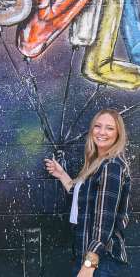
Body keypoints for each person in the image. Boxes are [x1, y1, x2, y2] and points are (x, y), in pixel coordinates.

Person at [45, 109, 131, 277]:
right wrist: (62, 175)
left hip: (100, 261)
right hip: (88, 257)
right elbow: (83, 202)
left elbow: (104, 219)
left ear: (118, 134)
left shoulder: (111, 166)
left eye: (109, 128)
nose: (102, 132)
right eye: (98, 126)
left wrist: (89, 263)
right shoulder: (96, 163)